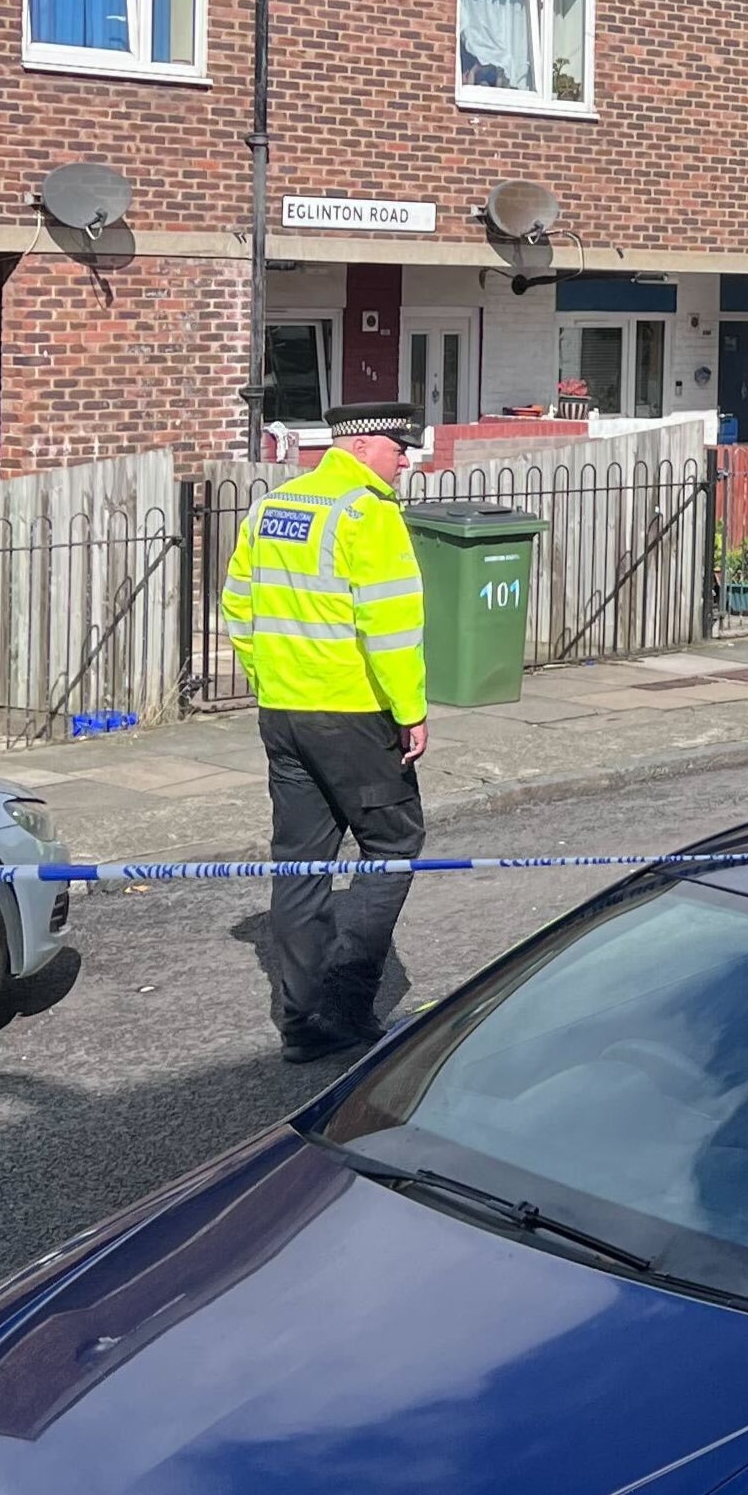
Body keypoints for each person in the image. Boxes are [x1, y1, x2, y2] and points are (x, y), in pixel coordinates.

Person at [219, 403, 430, 1062]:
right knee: (394, 843)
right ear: (363, 445)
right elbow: (389, 627)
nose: (407, 458)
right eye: (401, 445)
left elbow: (237, 603)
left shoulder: (273, 507)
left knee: (302, 862)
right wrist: (410, 710)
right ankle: (345, 1001)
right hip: (354, 714)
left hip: (283, 714)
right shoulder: (368, 512)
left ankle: (300, 1021)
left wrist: (268, 678)